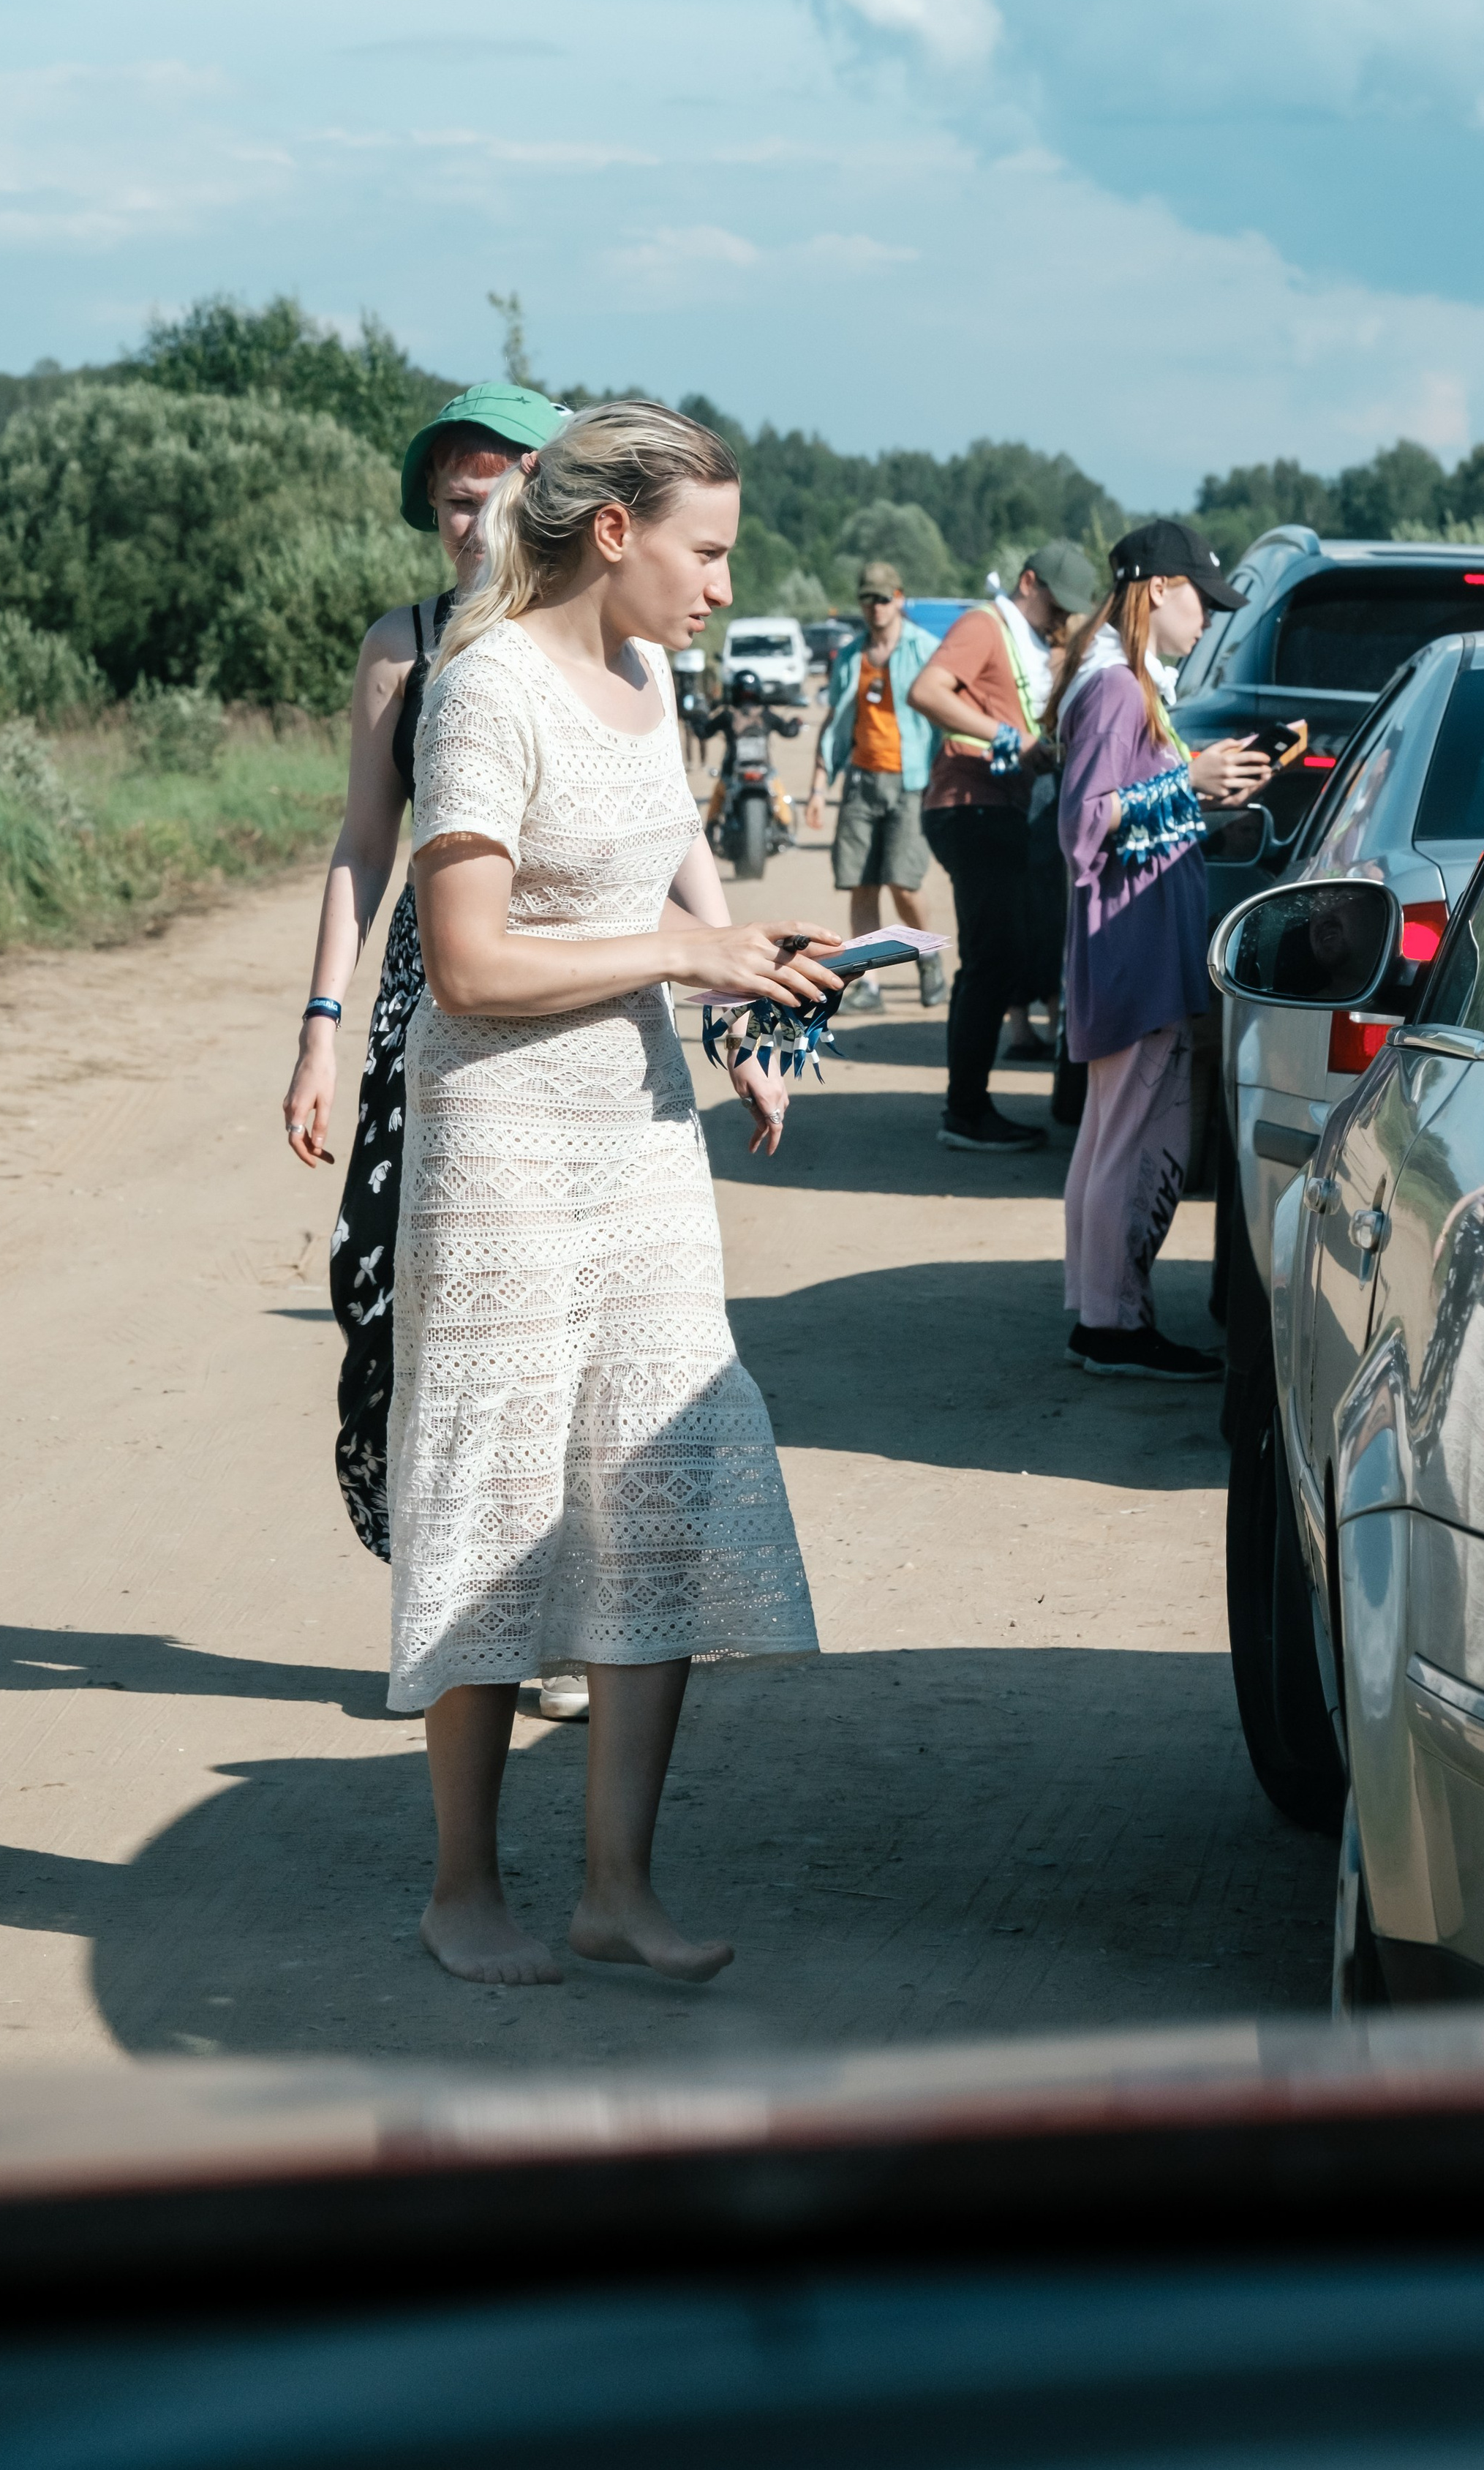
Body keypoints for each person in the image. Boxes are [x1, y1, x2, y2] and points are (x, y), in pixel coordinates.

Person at [395, 399, 833, 1986]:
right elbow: (466, 961)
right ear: (612, 533)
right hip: (501, 1149)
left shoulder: (649, 680)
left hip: (643, 1147)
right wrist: (680, 953)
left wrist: (744, 999)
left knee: (658, 1492)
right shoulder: (482, 690)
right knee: (498, 1502)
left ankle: (614, 1891)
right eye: (704, 550)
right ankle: (463, 1891)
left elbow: (664, 875)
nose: (719, 583)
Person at [282, 380, 570, 1572]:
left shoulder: (595, 643)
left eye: (502, 492)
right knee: (400, 1302)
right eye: (457, 500)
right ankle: (439, 1605)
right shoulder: (400, 646)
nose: (476, 520)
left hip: (569, 1006)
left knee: (551, 1317)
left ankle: (553, 1603)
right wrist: (320, 1030)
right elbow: (362, 845)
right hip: (427, 1010)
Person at [1052, 519, 1272, 1377]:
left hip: (1128, 945)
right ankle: (1111, 1325)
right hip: (1134, 949)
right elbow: (1084, 826)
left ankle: (1098, 1310)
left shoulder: (1115, 679)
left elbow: (1116, 813)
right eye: (1200, 601)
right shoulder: (1116, 688)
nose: (1207, 621)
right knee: (1133, 1142)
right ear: (1157, 590)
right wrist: (1190, 780)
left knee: (1110, 1138)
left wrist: (1197, 798)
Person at [905, 564, 1068, 1146]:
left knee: (997, 955)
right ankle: (966, 1113)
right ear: (1029, 581)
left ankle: (968, 1107)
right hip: (972, 806)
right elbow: (925, 691)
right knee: (994, 960)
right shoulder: (985, 624)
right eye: (1058, 602)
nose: (1063, 616)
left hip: (994, 808)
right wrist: (1012, 739)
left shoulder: (1025, 636)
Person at [805, 560, 946, 1011]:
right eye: (868, 599)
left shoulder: (926, 649)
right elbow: (835, 725)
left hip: (912, 783)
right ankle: (868, 985)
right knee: (862, 884)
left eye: (883, 598)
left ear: (899, 599)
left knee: (904, 883)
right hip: (861, 783)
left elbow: (949, 716)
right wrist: (818, 786)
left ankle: (928, 960)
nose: (875, 607)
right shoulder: (851, 657)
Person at [1001, 541, 1099, 1061]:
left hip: (1054, 788)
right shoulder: (1022, 639)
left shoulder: (1059, 647)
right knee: (1034, 912)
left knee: (1051, 915)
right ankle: (1023, 1022)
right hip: (1037, 789)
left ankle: (1046, 1018)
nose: (1060, 618)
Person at [693, 663, 804, 844]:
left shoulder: (728, 715)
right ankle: (784, 830)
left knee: (717, 798)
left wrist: (697, 718)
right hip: (765, 774)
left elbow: (704, 731)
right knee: (778, 792)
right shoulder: (766, 715)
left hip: (731, 774)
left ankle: (710, 833)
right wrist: (796, 723)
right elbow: (788, 731)